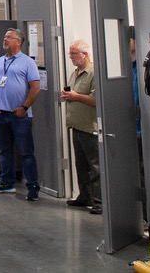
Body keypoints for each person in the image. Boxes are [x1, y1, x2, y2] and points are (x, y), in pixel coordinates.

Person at [0, 28, 41, 200]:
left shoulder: (27, 63)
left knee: (26, 152)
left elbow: (35, 87)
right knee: (4, 151)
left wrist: (24, 108)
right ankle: (6, 182)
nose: (5, 39)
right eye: (4, 37)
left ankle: (32, 186)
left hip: (19, 116)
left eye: (9, 37)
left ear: (18, 41)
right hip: (1, 114)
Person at [61, 40, 101, 214]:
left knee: (95, 166)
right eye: (70, 54)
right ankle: (85, 196)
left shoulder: (93, 73)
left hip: (90, 127)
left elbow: (96, 100)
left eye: (73, 53)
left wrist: (76, 96)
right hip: (76, 126)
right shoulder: (75, 73)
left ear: (84, 54)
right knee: (81, 165)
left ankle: (99, 201)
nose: (71, 57)